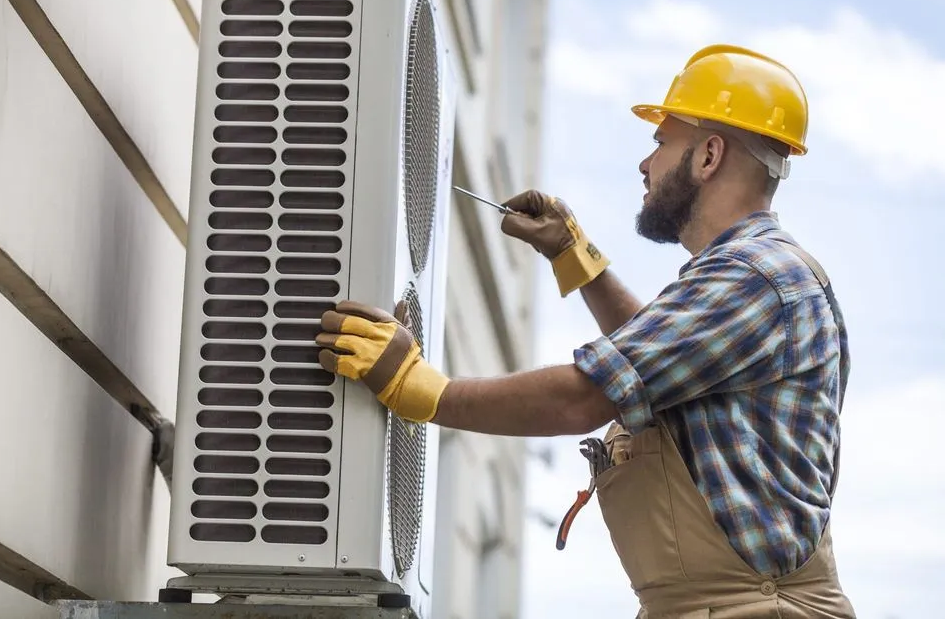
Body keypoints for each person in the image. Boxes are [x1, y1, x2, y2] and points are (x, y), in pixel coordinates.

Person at [315, 44, 855, 617]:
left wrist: (417, 387)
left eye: (660, 142)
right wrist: (575, 256)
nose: (645, 165)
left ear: (709, 155)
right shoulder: (751, 275)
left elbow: (586, 395)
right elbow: (655, 361)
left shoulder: (755, 276)